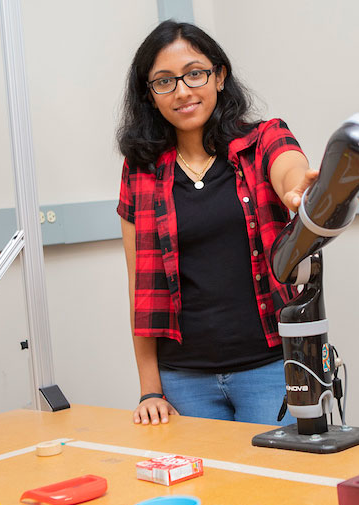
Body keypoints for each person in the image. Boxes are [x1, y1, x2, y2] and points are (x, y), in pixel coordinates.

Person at [116, 20, 318, 427]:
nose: (183, 91)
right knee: (209, 489)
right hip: (183, 379)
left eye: (195, 73)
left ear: (219, 76)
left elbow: (289, 167)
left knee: (274, 488)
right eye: (164, 82)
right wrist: (150, 388)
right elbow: (140, 287)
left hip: (268, 368)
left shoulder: (262, 140)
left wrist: (301, 190)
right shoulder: (141, 170)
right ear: (149, 95)